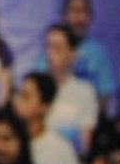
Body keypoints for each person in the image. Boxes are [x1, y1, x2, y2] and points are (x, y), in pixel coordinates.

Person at [12, 71, 86, 164]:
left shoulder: (61, 149)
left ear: (45, 107)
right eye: (18, 94)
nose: (17, 101)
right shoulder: (6, 145)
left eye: (25, 96)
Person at [38, 28, 102, 157]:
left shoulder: (85, 92)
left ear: (72, 54)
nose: (51, 54)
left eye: (57, 48)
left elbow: (85, 144)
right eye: (48, 47)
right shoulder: (35, 87)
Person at [51, 0, 119, 107]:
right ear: (64, 15)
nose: (80, 18)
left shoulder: (98, 52)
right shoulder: (52, 47)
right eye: (74, 11)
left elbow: (105, 94)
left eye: (84, 12)